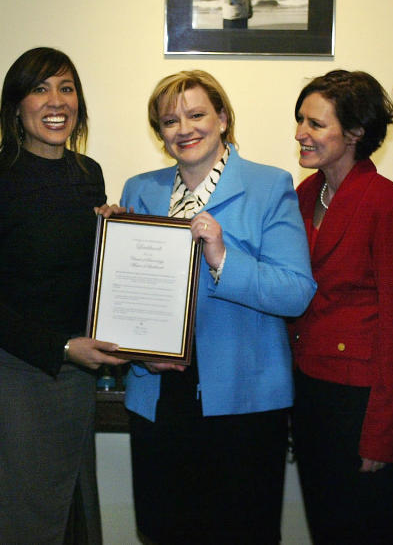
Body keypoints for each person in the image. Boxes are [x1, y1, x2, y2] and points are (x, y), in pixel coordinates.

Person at [120, 70, 316, 544]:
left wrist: (224, 258)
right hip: (160, 397)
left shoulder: (270, 186)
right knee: (165, 531)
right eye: (170, 120)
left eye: (197, 114)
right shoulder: (139, 190)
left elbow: (296, 291)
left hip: (244, 406)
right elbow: (126, 298)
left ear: (223, 118)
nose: (184, 128)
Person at [0, 47, 126, 544]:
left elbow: (73, 275)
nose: (56, 101)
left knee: (66, 514)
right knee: (7, 516)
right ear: (16, 107)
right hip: (6, 378)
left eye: (66, 88)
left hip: (72, 381)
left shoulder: (87, 175)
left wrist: (114, 240)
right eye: (40, 88)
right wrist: (61, 348)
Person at [287, 70, 393, 544]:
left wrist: (382, 433)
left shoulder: (388, 204)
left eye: (316, 124)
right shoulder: (301, 198)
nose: (301, 133)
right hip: (311, 400)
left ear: (355, 133)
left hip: (362, 406)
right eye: (300, 120)